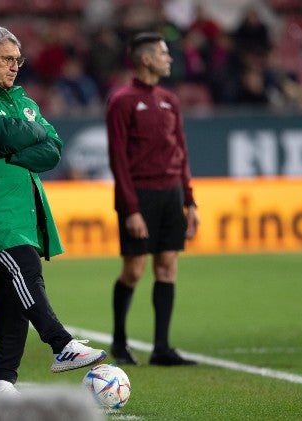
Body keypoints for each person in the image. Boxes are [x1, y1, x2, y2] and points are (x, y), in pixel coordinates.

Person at [0, 25, 106, 394]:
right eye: (8, 59)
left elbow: (53, 149)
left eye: (19, 60)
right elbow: (1, 135)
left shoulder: (20, 99)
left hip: (19, 209)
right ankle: (61, 345)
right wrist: (22, 135)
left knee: (13, 295)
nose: (16, 67)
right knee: (25, 272)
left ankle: (3, 383)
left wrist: (14, 142)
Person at [106, 32, 200, 366]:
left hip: (171, 192)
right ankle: (119, 341)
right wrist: (131, 209)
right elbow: (118, 158)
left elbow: (182, 151)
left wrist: (190, 200)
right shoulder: (122, 101)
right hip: (140, 194)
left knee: (167, 266)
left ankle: (161, 348)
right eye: (163, 53)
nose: (169, 58)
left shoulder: (169, 100)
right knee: (134, 269)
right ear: (145, 59)